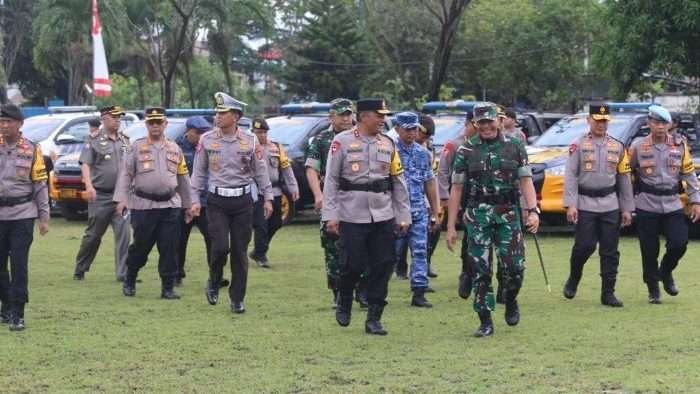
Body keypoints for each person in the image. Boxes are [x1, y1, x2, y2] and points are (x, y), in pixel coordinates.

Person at [446, 102, 539, 337]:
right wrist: (450, 226)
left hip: (508, 213)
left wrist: (533, 210)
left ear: (499, 121)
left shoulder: (515, 146)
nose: (486, 126)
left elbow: (526, 181)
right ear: (475, 124)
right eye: (481, 122)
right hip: (477, 215)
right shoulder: (465, 151)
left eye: (490, 121)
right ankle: (485, 319)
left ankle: (510, 298)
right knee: (480, 269)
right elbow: (456, 189)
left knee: (514, 267)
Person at [322, 98, 411, 335]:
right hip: (351, 213)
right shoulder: (341, 142)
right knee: (352, 264)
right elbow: (331, 180)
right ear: (363, 116)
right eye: (378, 115)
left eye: (384, 116)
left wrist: (404, 216)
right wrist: (330, 215)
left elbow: (398, 182)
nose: (382, 120)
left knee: (383, 265)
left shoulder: (388, 144)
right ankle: (344, 298)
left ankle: (374, 316)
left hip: (383, 213)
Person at [191, 92, 273, 314]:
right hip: (217, 201)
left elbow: (260, 171)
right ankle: (214, 279)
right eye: (217, 112)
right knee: (219, 247)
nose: (217, 116)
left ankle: (237, 298)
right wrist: (194, 199)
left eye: (222, 112)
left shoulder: (250, 140)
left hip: (243, 202)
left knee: (239, 251)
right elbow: (198, 172)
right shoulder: (207, 139)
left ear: (235, 116)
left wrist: (268, 197)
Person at [114, 107, 193, 300]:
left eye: (159, 122)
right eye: (152, 122)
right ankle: (130, 278)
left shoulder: (175, 148)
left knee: (169, 248)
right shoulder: (136, 147)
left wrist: (188, 205)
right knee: (141, 247)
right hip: (144, 206)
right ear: (147, 124)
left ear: (165, 124)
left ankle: (167, 288)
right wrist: (121, 199)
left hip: (170, 206)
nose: (155, 126)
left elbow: (183, 178)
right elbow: (126, 174)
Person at [562, 103, 635, 307]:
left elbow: (624, 178)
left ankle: (608, 293)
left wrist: (627, 208)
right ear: (589, 120)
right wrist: (571, 204)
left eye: (604, 121)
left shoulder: (618, 146)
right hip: (585, 203)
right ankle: (574, 278)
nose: (601, 124)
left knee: (610, 250)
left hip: (610, 204)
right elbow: (571, 175)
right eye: (597, 120)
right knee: (584, 247)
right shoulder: (578, 145)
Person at [628, 104, 700, 304]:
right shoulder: (637, 147)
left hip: (672, 204)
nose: (660, 126)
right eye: (656, 122)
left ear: (669, 125)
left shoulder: (679, 145)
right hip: (646, 204)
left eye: (664, 123)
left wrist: (696, 201)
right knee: (649, 249)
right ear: (649, 123)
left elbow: (689, 174)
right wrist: (626, 204)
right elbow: (626, 174)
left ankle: (665, 271)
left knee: (679, 243)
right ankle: (653, 289)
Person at [0, 104, 50, 331]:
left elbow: (40, 184)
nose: (4, 125)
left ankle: (18, 312)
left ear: (20, 124)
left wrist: (44, 217)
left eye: (9, 121)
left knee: (19, 264)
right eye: (1, 121)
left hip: (22, 215)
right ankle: (6, 306)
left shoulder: (32, 150)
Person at [304, 98, 357, 308]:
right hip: (332, 199)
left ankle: (360, 289)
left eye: (349, 114)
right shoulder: (321, 140)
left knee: (359, 246)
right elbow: (311, 168)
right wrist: (318, 195)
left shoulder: (360, 136)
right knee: (333, 247)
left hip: (357, 199)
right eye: (342, 114)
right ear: (331, 117)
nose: (346, 118)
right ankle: (338, 291)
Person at [73, 105, 131, 282]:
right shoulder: (94, 140)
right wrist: (89, 186)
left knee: (124, 235)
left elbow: (130, 166)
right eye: (114, 117)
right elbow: (85, 164)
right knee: (93, 235)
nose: (118, 120)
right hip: (101, 196)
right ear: (104, 119)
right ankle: (80, 268)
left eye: (119, 118)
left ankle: (123, 273)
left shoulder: (125, 140)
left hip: (121, 196)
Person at [392, 112, 440, 307]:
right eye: (408, 129)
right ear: (397, 129)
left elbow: (430, 183)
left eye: (415, 129)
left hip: (418, 209)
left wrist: (435, 211)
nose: (412, 133)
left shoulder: (423, 154)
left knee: (420, 250)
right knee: (385, 253)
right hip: (393, 211)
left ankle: (419, 291)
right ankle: (372, 290)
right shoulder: (389, 150)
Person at [437, 110, 476, 299]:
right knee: (470, 237)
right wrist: (444, 197)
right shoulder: (454, 145)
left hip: (479, 197)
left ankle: (474, 272)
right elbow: (443, 172)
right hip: (460, 196)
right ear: (468, 124)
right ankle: (467, 271)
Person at [250, 117, 299, 268]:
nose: (262, 135)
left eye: (264, 132)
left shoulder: (276, 147)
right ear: (253, 132)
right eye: (258, 132)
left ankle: (258, 251)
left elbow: (286, 169)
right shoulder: (248, 148)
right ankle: (261, 255)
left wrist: (293, 187)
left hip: (275, 190)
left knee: (276, 223)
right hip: (256, 191)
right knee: (261, 224)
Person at [175, 116, 216, 286]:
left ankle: (215, 275)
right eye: (197, 133)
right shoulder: (175, 148)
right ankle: (177, 274)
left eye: (203, 133)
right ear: (188, 131)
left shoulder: (210, 147)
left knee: (212, 239)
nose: (200, 136)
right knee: (179, 240)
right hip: (183, 204)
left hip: (205, 203)